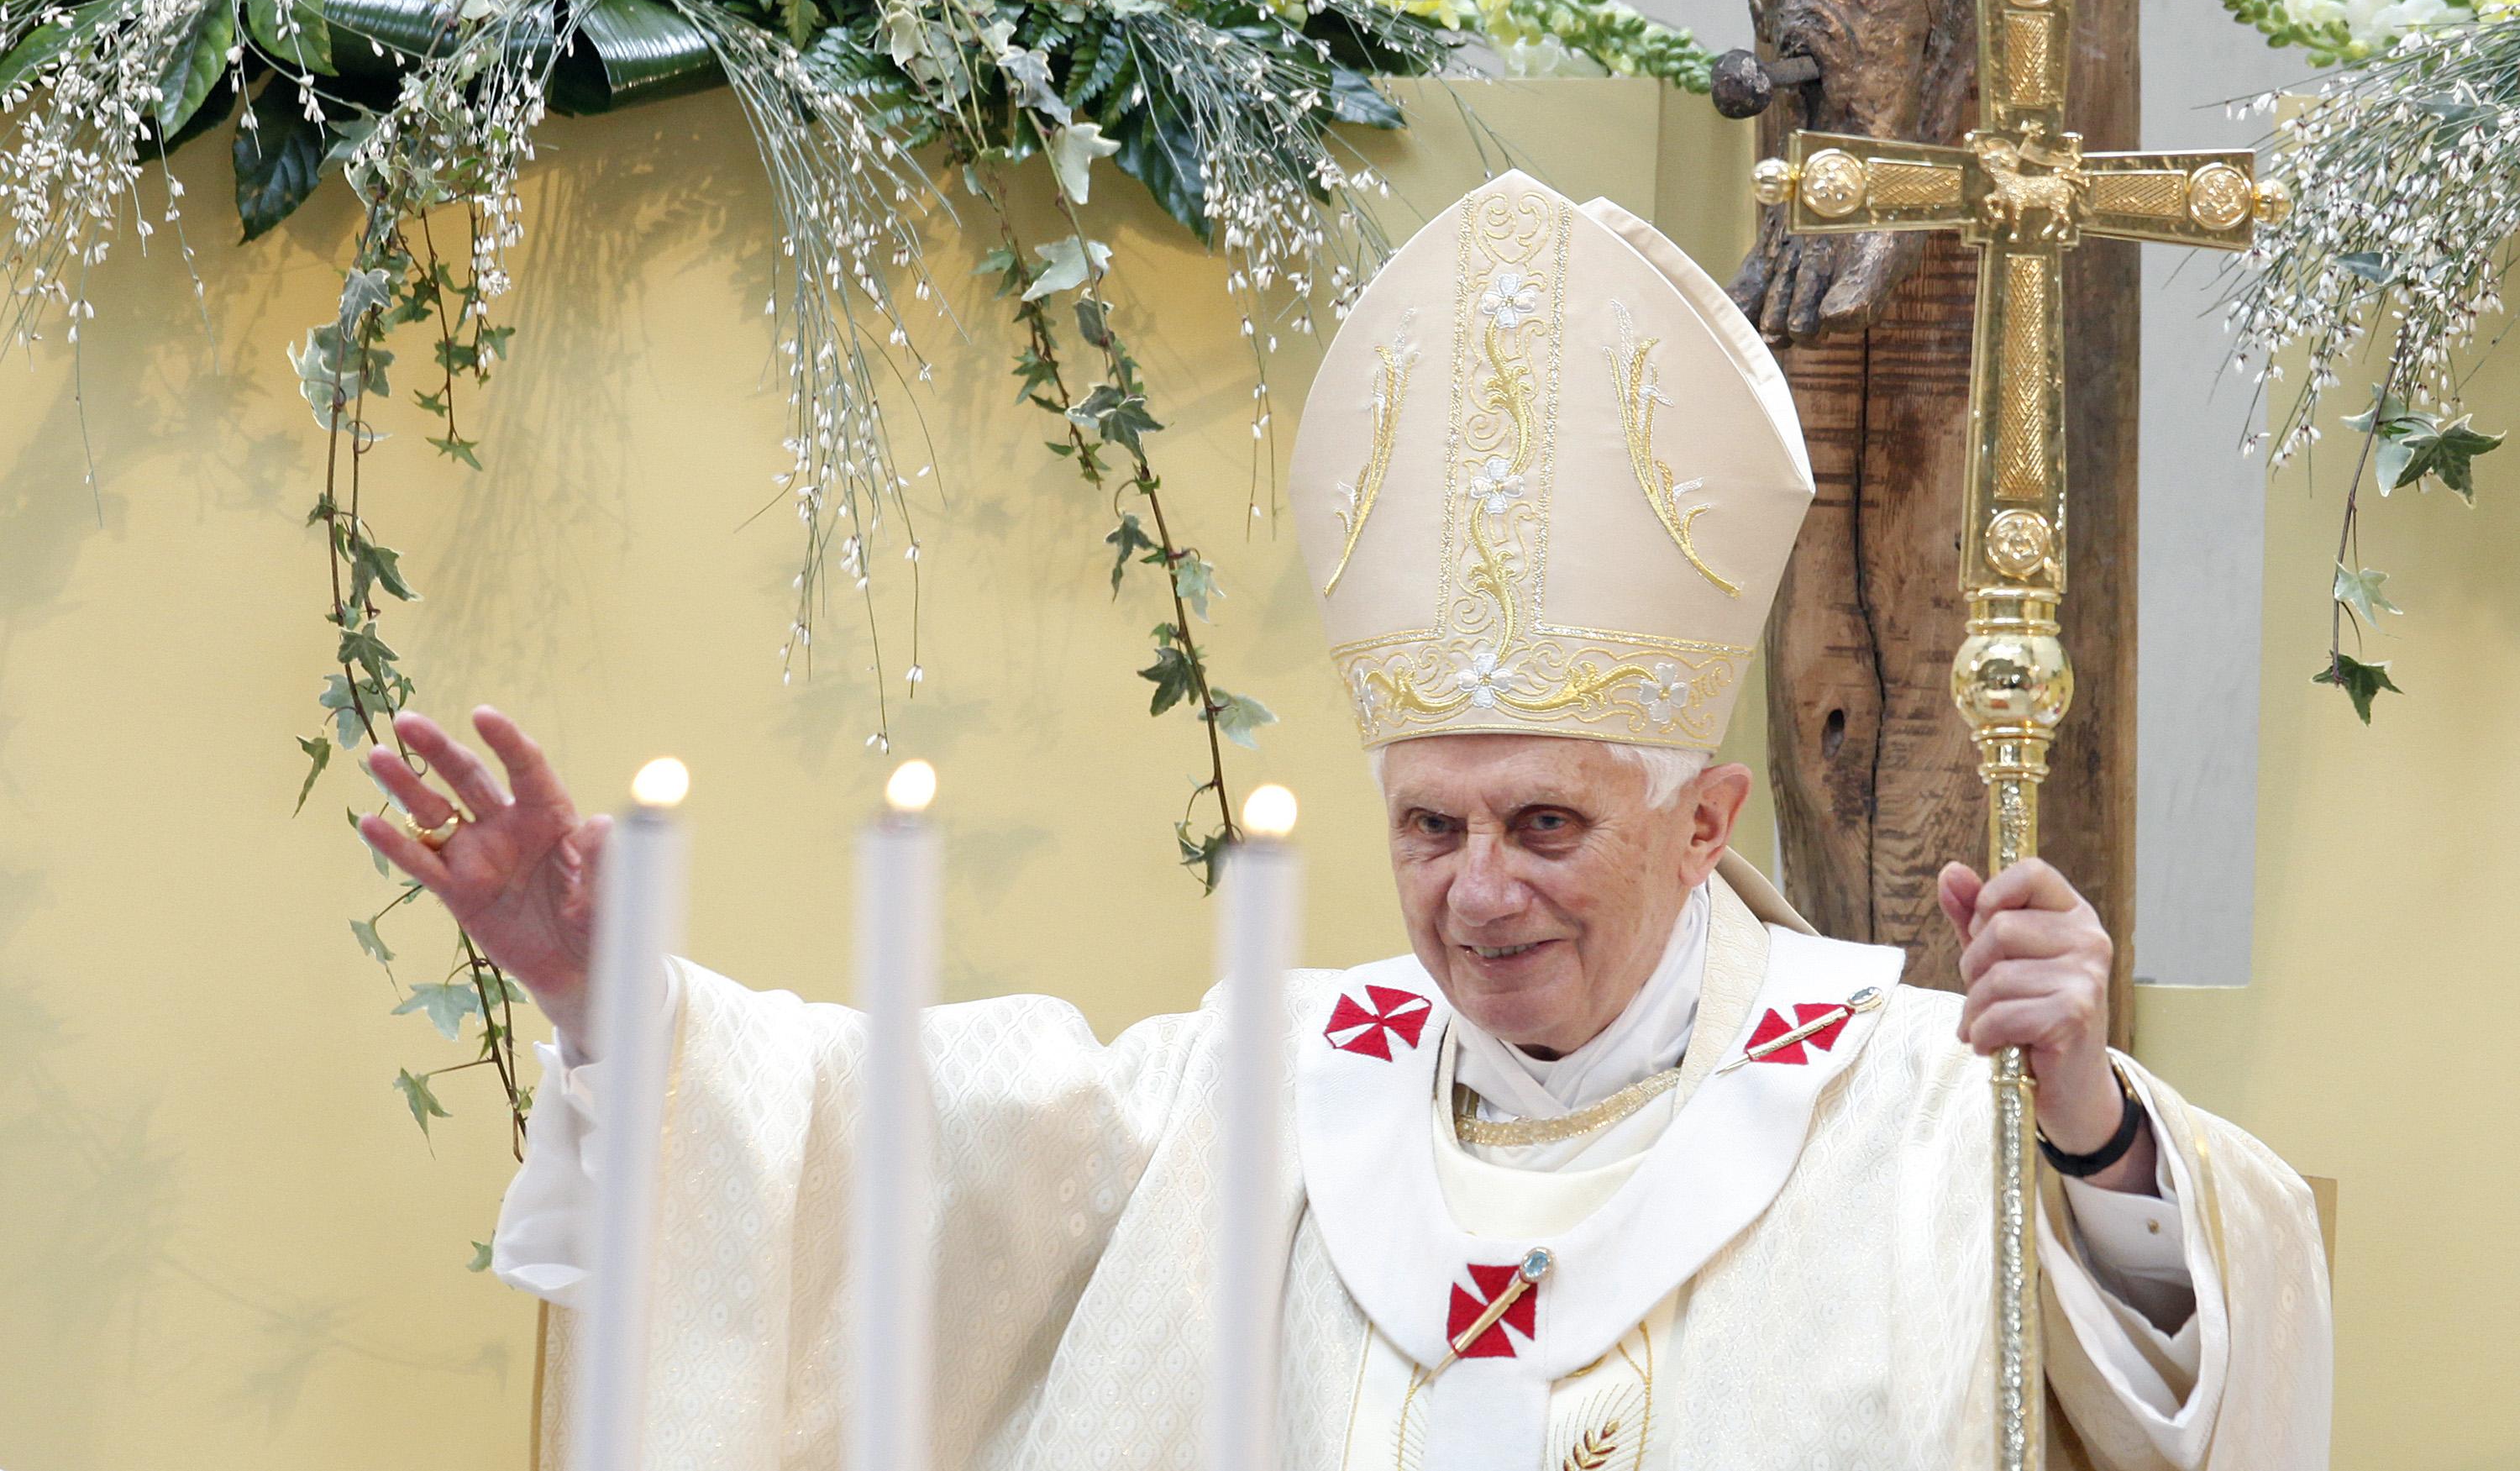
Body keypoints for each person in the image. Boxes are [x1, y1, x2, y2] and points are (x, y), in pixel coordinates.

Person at [361, 171, 2330, 1468]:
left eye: (1547, 823)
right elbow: (905, 1169)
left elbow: (2185, 1388)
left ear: (1703, 810)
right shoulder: (1272, 1078)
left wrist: (2082, 1116)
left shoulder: (1908, 1096)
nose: (1476, 896)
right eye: (1431, 828)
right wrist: (630, 1005)